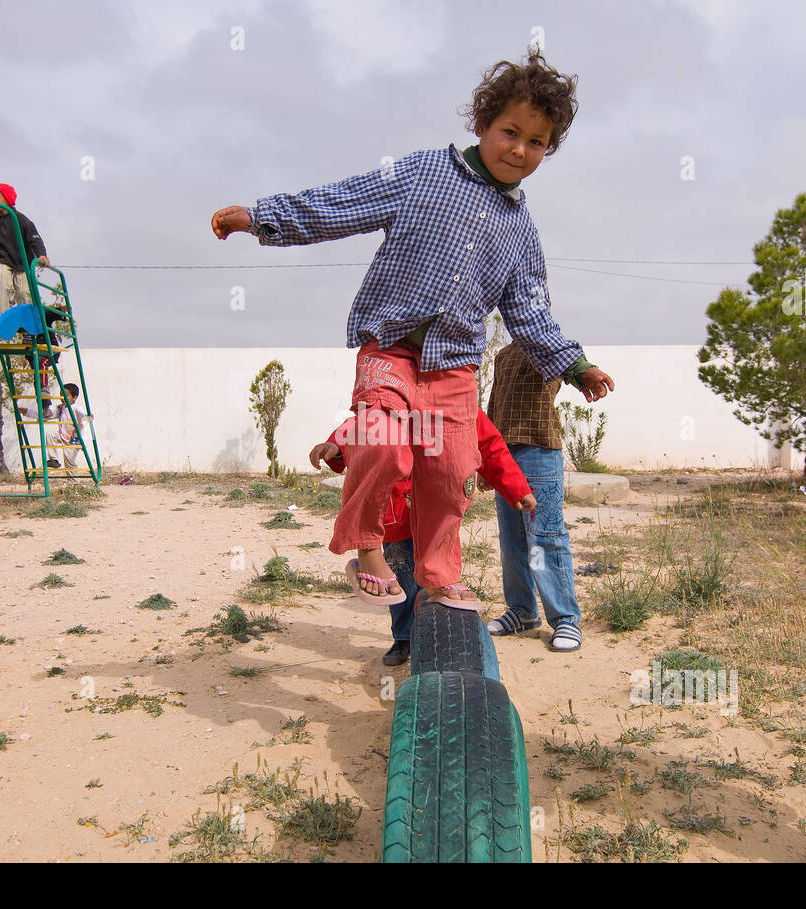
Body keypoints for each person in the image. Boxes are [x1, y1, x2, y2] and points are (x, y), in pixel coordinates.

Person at [212, 49, 613, 613]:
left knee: (452, 470)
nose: (520, 150)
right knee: (382, 444)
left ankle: (438, 569)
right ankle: (367, 547)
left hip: (454, 368)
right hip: (391, 348)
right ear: (482, 124)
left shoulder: (521, 230)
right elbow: (346, 201)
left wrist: (574, 366)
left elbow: (530, 309)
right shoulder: (426, 173)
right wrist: (261, 217)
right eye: (510, 132)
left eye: (538, 142)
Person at [312, 408, 535, 666]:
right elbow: (361, 426)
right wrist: (336, 445)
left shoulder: (456, 402)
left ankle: (433, 636)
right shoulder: (391, 401)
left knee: (438, 575)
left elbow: (488, 443)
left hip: (435, 515)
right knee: (400, 579)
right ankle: (404, 636)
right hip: (395, 516)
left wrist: (515, 486)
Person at [485, 341, 587, 652]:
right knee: (512, 539)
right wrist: (486, 461)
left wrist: (588, 375)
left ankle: (565, 618)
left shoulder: (554, 346)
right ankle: (523, 612)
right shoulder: (502, 356)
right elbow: (493, 405)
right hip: (503, 455)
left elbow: (577, 371)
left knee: (545, 536)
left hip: (540, 451)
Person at [0, 183, 50, 318]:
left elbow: (34, 239)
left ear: (8, 199)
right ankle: (1, 316)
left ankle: (27, 323)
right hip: (3, 259)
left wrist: (41, 255)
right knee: (0, 277)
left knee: (24, 291)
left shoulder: (22, 221)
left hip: (22, 261)